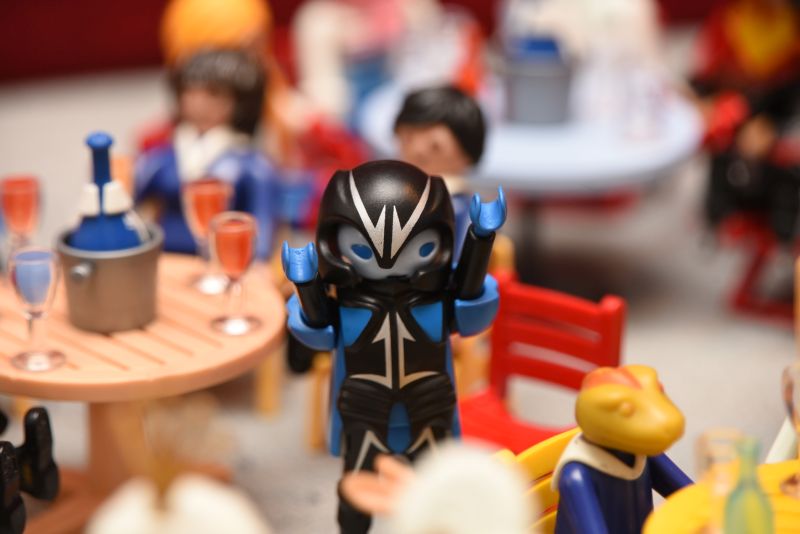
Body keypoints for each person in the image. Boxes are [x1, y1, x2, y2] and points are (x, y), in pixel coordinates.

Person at [135, 49, 278, 258]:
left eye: (213, 93)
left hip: (224, 261)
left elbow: (262, 229)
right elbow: (130, 200)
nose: (198, 101)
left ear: (239, 102)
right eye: (190, 91)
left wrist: (255, 261)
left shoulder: (252, 165)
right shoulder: (163, 157)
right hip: (166, 259)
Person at [394, 85, 487, 259]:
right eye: (408, 139)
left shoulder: (458, 207)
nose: (417, 150)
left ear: (467, 153)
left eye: (435, 146)